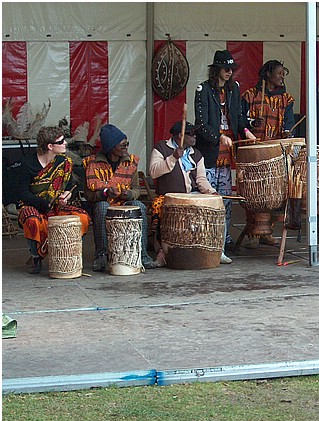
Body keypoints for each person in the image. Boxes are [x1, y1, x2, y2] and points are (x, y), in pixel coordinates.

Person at [194, 50, 257, 260]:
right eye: (226, 69)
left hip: (228, 153)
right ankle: (210, 240)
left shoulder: (234, 88)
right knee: (211, 197)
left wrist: (246, 131)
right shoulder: (203, 89)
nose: (230, 72)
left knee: (227, 198)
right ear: (217, 69)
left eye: (232, 69)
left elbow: (238, 116)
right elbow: (201, 125)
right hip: (211, 152)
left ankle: (225, 237)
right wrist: (219, 136)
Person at [147, 120, 223, 267]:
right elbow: (154, 172)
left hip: (191, 196)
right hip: (168, 197)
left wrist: (212, 193)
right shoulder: (161, 148)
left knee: (214, 208)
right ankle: (161, 253)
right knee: (158, 209)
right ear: (179, 136)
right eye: (191, 134)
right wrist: (173, 158)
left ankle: (214, 251)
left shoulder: (197, 154)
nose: (195, 136)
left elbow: (201, 179)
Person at [15, 126, 91, 274]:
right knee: (33, 220)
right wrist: (44, 203)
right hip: (34, 205)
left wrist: (67, 195)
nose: (65, 144)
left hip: (57, 206)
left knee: (82, 218)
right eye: (61, 141)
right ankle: (36, 256)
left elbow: (70, 186)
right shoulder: (27, 164)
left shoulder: (64, 162)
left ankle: (69, 255)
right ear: (50, 146)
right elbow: (23, 193)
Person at [83, 124, 157, 271]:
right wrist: (104, 193)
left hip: (124, 202)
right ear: (111, 147)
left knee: (139, 206)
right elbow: (88, 195)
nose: (126, 148)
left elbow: (136, 189)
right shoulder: (92, 163)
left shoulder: (130, 162)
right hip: (104, 203)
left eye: (126, 144)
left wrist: (129, 194)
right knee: (102, 207)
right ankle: (101, 255)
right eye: (122, 145)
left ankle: (142, 254)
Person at [241, 59, 296, 248]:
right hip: (254, 153)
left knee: (272, 193)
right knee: (253, 193)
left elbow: (289, 122)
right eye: (279, 73)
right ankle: (252, 233)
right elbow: (242, 121)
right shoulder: (249, 96)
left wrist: (289, 131)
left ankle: (267, 231)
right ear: (267, 75)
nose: (282, 77)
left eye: (283, 73)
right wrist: (250, 124)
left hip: (275, 153)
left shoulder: (286, 99)